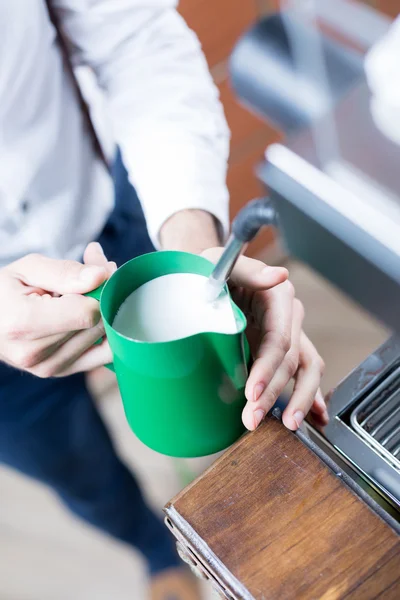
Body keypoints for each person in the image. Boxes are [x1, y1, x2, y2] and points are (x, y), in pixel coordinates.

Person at [0, 1, 327, 598]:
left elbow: (137, 40)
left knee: (250, 382)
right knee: (77, 470)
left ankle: (310, 508)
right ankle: (158, 552)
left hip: (113, 219)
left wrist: (195, 241)